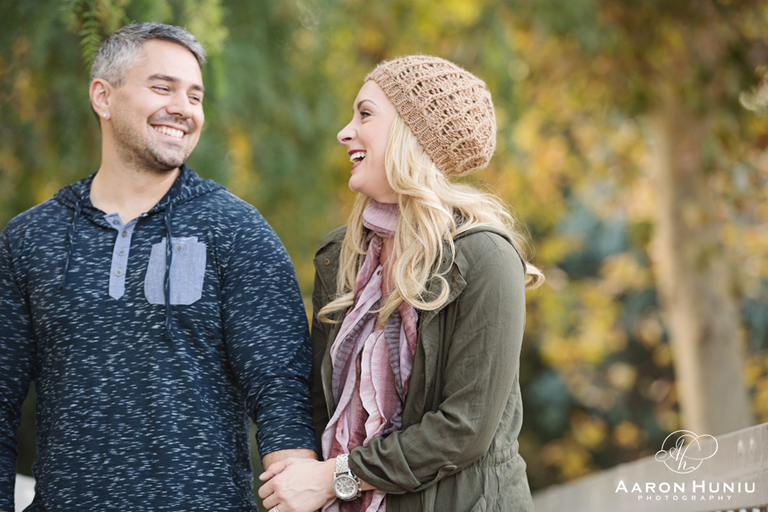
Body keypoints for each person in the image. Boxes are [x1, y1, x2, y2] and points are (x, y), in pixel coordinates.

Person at [0, 22, 317, 512]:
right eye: (162, 87)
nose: (184, 108)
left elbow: (282, 393)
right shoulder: (30, 239)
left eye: (195, 95)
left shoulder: (235, 230)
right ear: (102, 97)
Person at [258, 55, 543, 512]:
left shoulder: (485, 257)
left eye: (365, 114)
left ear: (413, 133)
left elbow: (462, 429)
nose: (344, 132)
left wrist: (336, 478)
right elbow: (319, 404)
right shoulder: (341, 257)